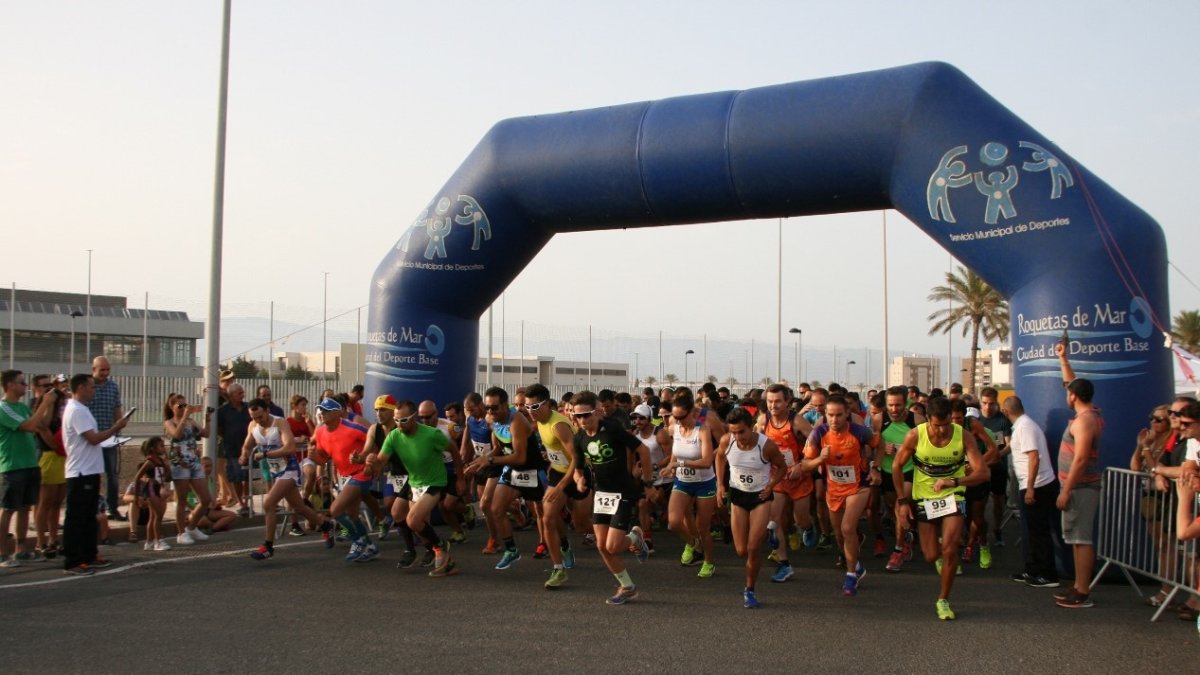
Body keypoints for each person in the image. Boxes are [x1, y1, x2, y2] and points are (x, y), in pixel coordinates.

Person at [893, 396, 989, 620]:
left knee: (950, 549)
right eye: (937, 426)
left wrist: (955, 482)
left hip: (953, 496)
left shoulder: (962, 435)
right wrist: (902, 502)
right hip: (925, 498)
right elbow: (897, 466)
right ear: (928, 420)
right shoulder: (915, 435)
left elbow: (983, 473)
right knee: (930, 555)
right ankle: (937, 551)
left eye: (946, 424)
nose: (943, 430)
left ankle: (943, 599)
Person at [570, 390, 654, 604]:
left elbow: (643, 451)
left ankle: (635, 537)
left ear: (597, 412)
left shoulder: (612, 428)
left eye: (586, 415)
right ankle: (627, 587)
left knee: (613, 546)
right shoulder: (579, 437)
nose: (581, 420)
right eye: (577, 416)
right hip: (601, 493)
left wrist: (647, 482)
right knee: (601, 546)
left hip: (622, 491)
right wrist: (579, 480)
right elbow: (577, 468)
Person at [802, 394, 879, 596]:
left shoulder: (859, 431)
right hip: (833, 489)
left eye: (838, 415)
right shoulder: (818, 433)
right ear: (825, 414)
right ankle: (857, 565)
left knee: (847, 528)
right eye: (830, 415)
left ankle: (851, 575)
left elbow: (879, 443)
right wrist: (820, 459)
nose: (834, 420)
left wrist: (875, 467)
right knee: (839, 535)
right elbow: (804, 464)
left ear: (847, 415)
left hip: (858, 486)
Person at [242, 398, 335, 561]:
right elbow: (247, 444)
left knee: (268, 503)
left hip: (289, 470)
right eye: (253, 417)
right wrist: (243, 454)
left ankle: (268, 546)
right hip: (275, 471)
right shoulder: (253, 426)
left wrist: (265, 454)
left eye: (260, 417)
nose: (257, 420)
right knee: (300, 507)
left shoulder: (280, 423)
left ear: (267, 411)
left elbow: (290, 447)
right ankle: (326, 525)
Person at [374, 399, 458, 577]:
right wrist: (366, 463)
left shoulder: (432, 434)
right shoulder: (394, 435)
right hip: (414, 481)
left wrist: (461, 479)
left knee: (413, 521)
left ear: (414, 418)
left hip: (435, 481)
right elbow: (380, 460)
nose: (399, 424)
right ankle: (418, 550)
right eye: (397, 420)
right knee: (397, 513)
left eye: (403, 420)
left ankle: (441, 549)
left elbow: (454, 451)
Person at [465, 386, 546, 571]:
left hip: (532, 469)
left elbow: (520, 457)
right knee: (495, 508)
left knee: (542, 514)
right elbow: (498, 448)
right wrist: (479, 461)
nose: (490, 411)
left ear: (505, 406)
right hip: (513, 469)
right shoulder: (490, 419)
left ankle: (556, 545)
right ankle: (511, 550)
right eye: (487, 407)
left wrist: (490, 460)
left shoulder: (516, 421)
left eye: (494, 407)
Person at [716, 407, 787, 608]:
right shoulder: (726, 441)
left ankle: (750, 589)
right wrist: (720, 484)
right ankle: (769, 529)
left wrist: (771, 485)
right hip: (738, 495)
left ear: (751, 428)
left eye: (741, 432)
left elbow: (782, 467)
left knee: (753, 548)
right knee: (740, 551)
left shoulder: (766, 446)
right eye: (734, 432)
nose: (738, 437)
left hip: (760, 497)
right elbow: (720, 457)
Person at [61, 373, 128, 575]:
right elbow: (92, 438)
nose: (94, 390)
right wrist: (115, 428)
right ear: (80, 388)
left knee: (90, 517)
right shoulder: (76, 410)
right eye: (91, 387)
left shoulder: (83, 409)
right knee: (77, 518)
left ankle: (89, 555)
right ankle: (73, 560)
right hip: (80, 472)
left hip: (90, 470)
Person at [1054, 341, 1103, 609]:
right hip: (1078, 487)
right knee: (1075, 537)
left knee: (1081, 539)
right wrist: (1064, 360)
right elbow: (1071, 382)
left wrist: (1066, 489)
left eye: (1068, 391)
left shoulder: (1085, 421)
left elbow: (1082, 458)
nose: (1066, 392)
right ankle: (1077, 585)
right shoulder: (1089, 412)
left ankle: (1083, 591)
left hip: (1081, 488)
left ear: (1073, 397)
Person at [525, 383, 587, 589]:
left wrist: (562, 486)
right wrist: (553, 464)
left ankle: (632, 535)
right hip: (559, 473)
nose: (531, 411)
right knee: (548, 518)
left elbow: (577, 458)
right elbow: (557, 452)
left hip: (578, 473)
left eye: (535, 407)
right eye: (527, 407)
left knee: (582, 526)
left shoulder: (557, 425)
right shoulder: (539, 422)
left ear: (547, 405)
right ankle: (559, 566)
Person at [756, 383, 813, 583]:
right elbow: (757, 443)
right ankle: (784, 564)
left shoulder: (797, 421)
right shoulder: (763, 421)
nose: (773, 405)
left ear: (787, 402)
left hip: (799, 478)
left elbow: (816, 442)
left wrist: (803, 464)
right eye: (770, 401)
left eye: (777, 401)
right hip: (777, 476)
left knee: (800, 519)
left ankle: (807, 527)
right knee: (774, 519)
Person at [0, 370, 57, 567]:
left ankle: (21, 549)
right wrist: (45, 404)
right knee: (9, 509)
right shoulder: (4, 408)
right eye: (21, 382)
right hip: (14, 465)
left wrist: (47, 403)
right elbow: (27, 426)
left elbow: (40, 425)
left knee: (25, 508)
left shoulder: (23, 408)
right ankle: (2, 552)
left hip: (31, 463)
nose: (25, 386)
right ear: (10, 385)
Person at [1002, 396, 1060, 588]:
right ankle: (1032, 569)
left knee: (1039, 532)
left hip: (1038, 486)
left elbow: (1033, 458)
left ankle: (1048, 574)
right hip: (1032, 485)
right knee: (1031, 531)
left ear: (1006, 411)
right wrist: (996, 455)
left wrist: (1030, 488)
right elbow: (1013, 448)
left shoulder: (1025, 427)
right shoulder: (1022, 426)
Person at [660, 391, 718, 578]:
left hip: (704, 482)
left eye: (681, 417)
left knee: (703, 527)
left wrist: (679, 464)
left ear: (692, 412)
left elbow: (707, 461)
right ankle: (694, 544)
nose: (677, 421)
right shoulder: (675, 428)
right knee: (674, 523)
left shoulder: (702, 430)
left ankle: (709, 561)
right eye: (674, 417)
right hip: (683, 481)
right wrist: (671, 465)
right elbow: (676, 451)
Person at [310, 398, 376, 562]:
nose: (322, 414)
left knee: (335, 510)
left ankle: (358, 541)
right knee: (352, 515)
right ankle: (371, 547)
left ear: (337, 413)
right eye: (321, 411)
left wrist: (369, 459)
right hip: (344, 476)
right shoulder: (320, 432)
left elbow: (374, 440)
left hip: (362, 472)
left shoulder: (352, 428)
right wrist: (314, 457)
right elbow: (323, 459)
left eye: (326, 411)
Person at [163, 393, 214, 546]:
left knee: (205, 499)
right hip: (179, 462)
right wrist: (184, 417)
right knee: (182, 499)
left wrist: (208, 418)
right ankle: (181, 532)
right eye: (180, 406)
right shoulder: (169, 422)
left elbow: (206, 433)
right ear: (172, 407)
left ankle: (192, 527)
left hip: (193, 461)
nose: (184, 408)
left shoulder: (191, 421)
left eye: (185, 405)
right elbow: (176, 435)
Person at [85, 356, 126, 521]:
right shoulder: (87, 387)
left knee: (112, 475)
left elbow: (116, 409)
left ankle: (112, 508)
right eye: (102, 370)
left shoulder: (113, 387)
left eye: (107, 369)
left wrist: (120, 423)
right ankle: (93, 508)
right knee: (92, 475)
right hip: (91, 438)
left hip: (109, 437)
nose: (105, 373)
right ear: (93, 369)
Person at [32, 374, 68, 558]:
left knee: (56, 502)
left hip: (62, 457)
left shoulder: (62, 401)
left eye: (50, 385)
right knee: (44, 501)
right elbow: (42, 426)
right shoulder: (37, 404)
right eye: (44, 386)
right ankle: (41, 541)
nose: (49, 389)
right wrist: (49, 403)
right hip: (47, 455)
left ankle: (54, 539)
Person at [978, 387, 1013, 547]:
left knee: (999, 502)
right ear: (980, 402)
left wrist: (997, 455)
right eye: (984, 403)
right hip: (981, 468)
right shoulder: (976, 420)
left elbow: (1009, 445)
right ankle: (979, 533)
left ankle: (997, 530)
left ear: (996, 403)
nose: (988, 407)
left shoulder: (1002, 420)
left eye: (991, 404)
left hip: (999, 467)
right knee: (980, 502)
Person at [216, 384, 252, 514]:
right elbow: (219, 429)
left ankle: (247, 502)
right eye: (239, 393)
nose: (242, 395)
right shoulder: (223, 411)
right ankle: (241, 503)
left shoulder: (248, 408)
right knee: (237, 477)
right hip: (232, 448)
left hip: (248, 448)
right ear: (231, 395)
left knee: (247, 477)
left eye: (243, 392)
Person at [132, 437, 170, 551]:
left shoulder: (161, 461)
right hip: (150, 489)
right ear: (153, 448)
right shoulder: (149, 462)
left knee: (153, 516)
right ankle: (158, 541)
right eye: (161, 446)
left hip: (158, 488)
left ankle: (149, 542)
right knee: (158, 515)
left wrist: (168, 467)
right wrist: (136, 496)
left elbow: (167, 478)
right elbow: (137, 477)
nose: (164, 448)